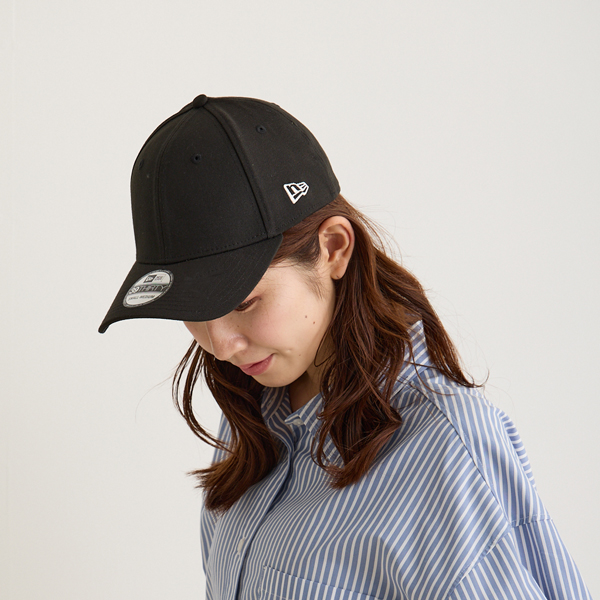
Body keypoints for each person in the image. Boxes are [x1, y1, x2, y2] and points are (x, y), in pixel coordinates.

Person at [99, 95, 592, 600]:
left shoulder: (443, 450)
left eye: (244, 302)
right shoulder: (252, 414)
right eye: (192, 309)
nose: (221, 345)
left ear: (334, 249)